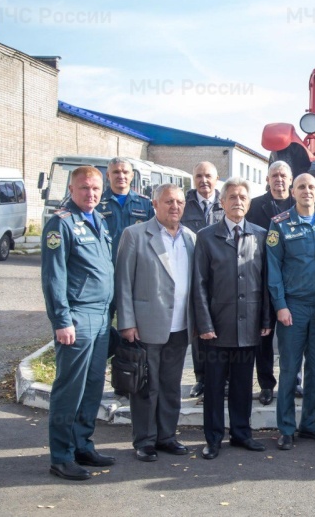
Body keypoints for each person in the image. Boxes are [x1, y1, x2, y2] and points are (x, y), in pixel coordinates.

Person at [41, 166, 115, 481]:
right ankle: (61, 456)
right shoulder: (62, 223)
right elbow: (54, 276)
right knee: (70, 388)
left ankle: (82, 444)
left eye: (96, 188)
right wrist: (62, 320)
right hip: (77, 316)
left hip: (101, 316)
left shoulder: (98, 220)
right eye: (85, 188)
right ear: (72, 189)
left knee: (93, 385)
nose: (91, 194)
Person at [114, 184, 195, 462]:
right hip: (146, 326)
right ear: (155, 204)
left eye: (180, 202)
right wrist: (126, 322)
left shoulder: (190, 239)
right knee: (147, 387)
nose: (175, 207)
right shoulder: (135, 235)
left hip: (180, 326)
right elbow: (123, 281)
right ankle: (145, 440)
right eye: (169, 201)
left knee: (171, 386)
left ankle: (167, 436)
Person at [193, 177, 272, 459]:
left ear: (249, 203)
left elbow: (265, 283)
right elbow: (199, 284)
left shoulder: (261, 235)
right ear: (222, 202)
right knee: (214, 387)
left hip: (249, 325)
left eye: (242, 197)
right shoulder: (205, 236)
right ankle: (213, 438)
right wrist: (204, 324)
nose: (238, 201)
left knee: (242, 385)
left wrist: (265, 320)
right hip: (217, 327)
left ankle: (241, 433)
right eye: (232, 197)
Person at [267, 173, 315, 451]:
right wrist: (280, 306)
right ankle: (286, 428)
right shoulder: (280, 225)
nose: (307, 191)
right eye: (301, 187)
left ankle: (311, 424)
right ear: (292, 191)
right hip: (293, 308)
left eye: (311, 186)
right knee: (289, 370)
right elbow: (273, 269)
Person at [246, 161, 295, 405]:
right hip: (261, 279)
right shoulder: (255, 206)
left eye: (283, 175)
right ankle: (266, 384)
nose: (279, 180)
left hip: (292, 281)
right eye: (274, 175)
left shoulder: (301, 204)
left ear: (290, 179)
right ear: (268, 179)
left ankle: (293, 381)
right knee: (264, 337)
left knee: (292, 337)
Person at [181, 161, 225, 399]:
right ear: (193, 179)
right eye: (199, 176)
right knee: (199, 329)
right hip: (194, 275)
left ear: (217, 178)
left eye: (208, 176)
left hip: (222, 276)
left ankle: (223, 378)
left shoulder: (225, 202)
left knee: (222, 328)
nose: (204, 180)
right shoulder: (183, 205)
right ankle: (201, 378)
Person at [96, 157, 155, 264]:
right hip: (107, 263)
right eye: (116, 172)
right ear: (108, 175)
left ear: (131, 176)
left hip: (137, 263)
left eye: (125, 172)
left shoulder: (145, 204)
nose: (121, 176)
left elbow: (153, 236)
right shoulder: (97, 203)